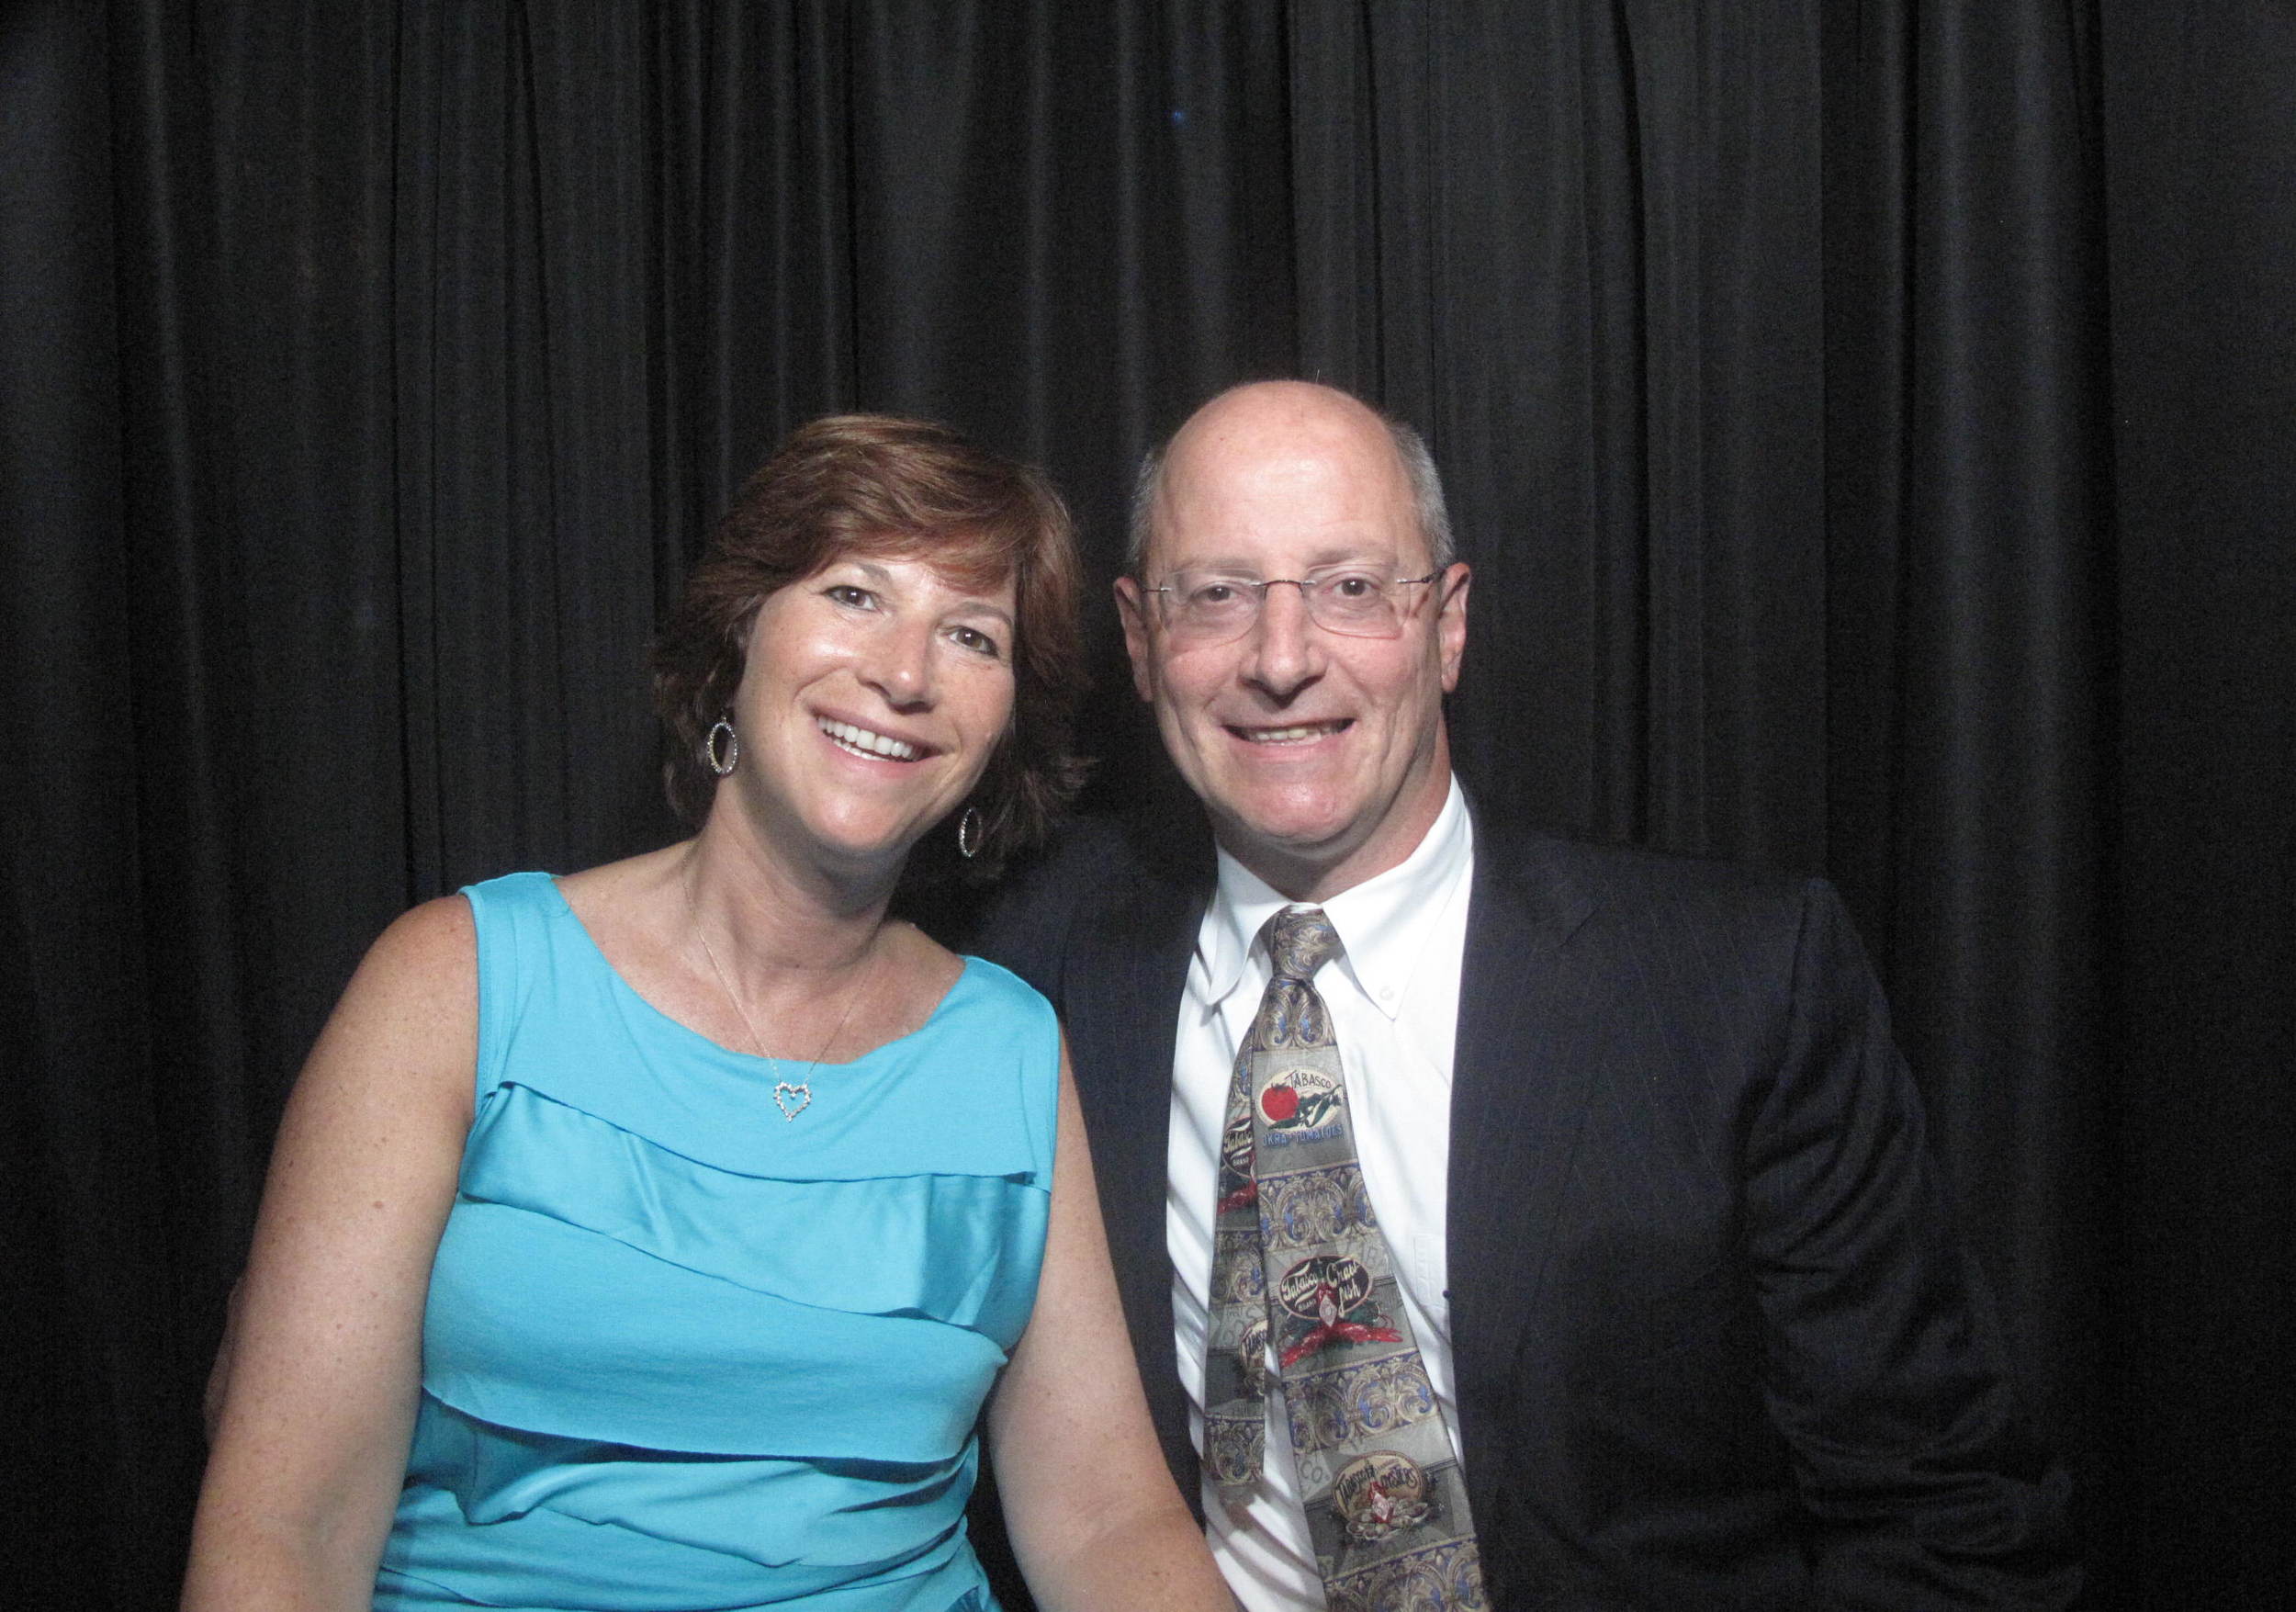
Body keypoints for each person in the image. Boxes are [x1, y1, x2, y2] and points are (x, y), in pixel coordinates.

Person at [976, 381, 2077, 1608]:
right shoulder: (1033, 955)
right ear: (1138, 640)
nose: (1282, 659)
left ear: (1448, 625)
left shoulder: (1741, 988)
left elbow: (1945, 1518)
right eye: (1219, 594)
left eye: (1351, 587)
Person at [183, 415, 1234, 1612]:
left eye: (970, 634)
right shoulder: (457, 984)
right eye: (852, 593)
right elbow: (287, 1527)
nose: (904, 672)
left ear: (1001, 731)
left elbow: (1106, 1524)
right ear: (740, 634)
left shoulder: (1006, 1048)